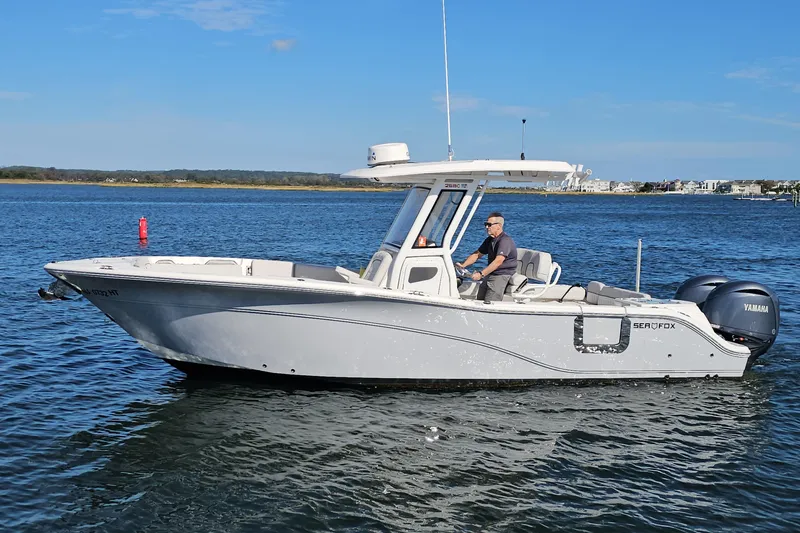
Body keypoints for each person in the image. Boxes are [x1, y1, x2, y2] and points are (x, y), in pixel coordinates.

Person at [456, 212, 518, 302]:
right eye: (486, 224)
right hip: (491, 274)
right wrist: (463, 265)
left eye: (489, 225)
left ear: (499, 226)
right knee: (480, 298)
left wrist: (481, 274)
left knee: (490, 302)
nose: (486, 227)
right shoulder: (490, 240)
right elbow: (477, 254)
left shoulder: (505, 241)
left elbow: (498, 261)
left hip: (501, 275)